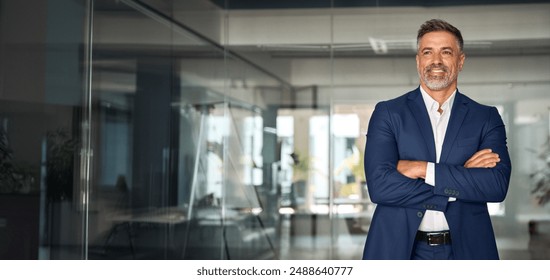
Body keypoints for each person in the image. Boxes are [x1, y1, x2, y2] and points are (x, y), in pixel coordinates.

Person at [362, 19, 512, 260]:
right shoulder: (388, 113)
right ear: (418, 60)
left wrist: (423, 169)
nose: (436, 61)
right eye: (427, 52)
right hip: (398, 250)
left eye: (446, 52)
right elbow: (380, 187)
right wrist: (461, 178)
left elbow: (496, 185)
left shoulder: (485, 117)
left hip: (467, 250)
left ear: (460, 61)